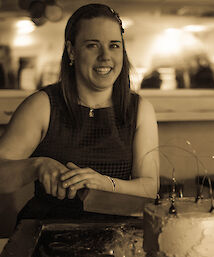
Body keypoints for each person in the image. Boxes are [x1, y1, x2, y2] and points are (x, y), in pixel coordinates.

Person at [0, 4, 159, 221]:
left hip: (118, 236)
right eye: (92, 45)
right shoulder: (42, 105)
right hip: (48, 232)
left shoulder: (140, 109)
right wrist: (36, 166)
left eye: (114, 45)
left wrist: (103, 183)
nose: (105, 56)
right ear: (72, 51)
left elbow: (149, 188)